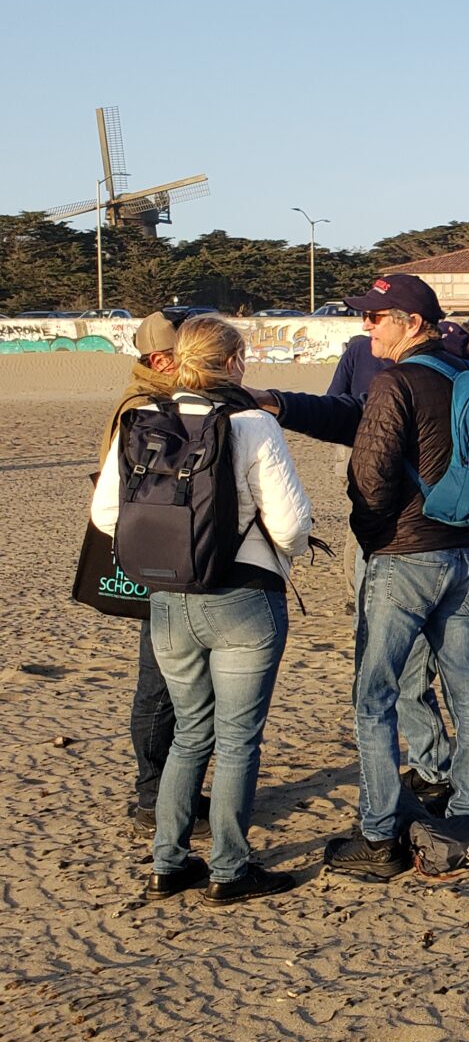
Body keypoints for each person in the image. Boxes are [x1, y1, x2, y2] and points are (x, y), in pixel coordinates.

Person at [92, 316, 312, 905]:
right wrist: (283, 555)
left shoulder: (140, 421)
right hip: (243, 597)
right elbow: (291, 524)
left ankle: (168, 861)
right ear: (235, 361)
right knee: (238, 740)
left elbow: (106, 517)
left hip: (168, 598)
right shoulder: (252, 423)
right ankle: (230, 870)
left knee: (190, 732)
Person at [325, 275, 469, 881]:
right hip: (468, 550)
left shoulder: (395, 382)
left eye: (378, 317)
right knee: (467, 687)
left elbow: (369, 477)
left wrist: (373, 541)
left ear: (413, 323)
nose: (367, 327)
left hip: (405, 554)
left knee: (374, 696)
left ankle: (378, 835)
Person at [101, 311, 205, 837]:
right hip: (161, 559)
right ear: (164, 361)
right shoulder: (143, 410)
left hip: (171, 557)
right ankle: (153, 793)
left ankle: (169, 789)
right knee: (157, 684)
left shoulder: (155, 403)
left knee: (170, 681)